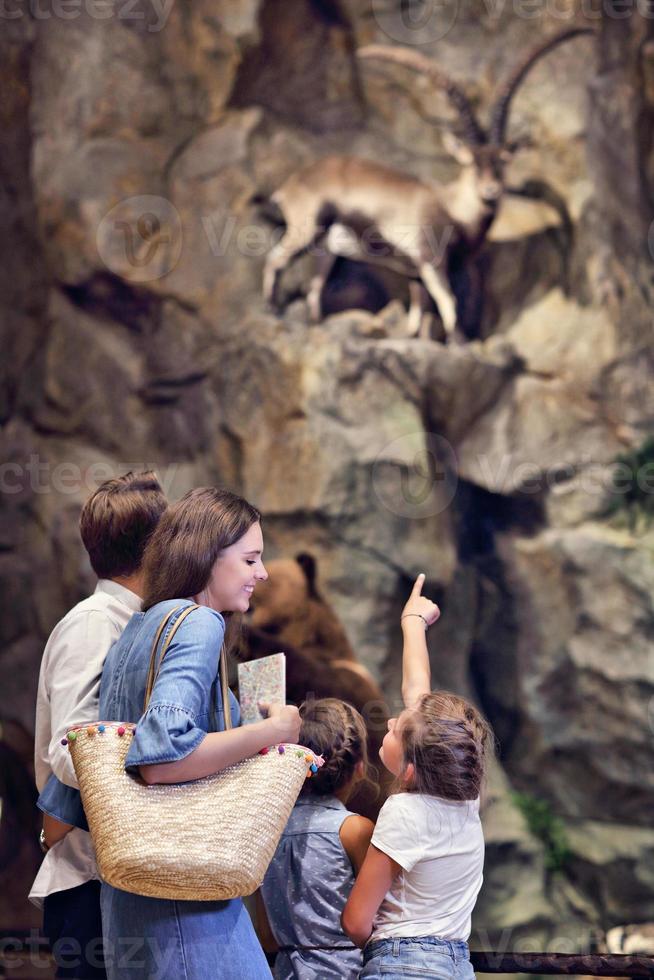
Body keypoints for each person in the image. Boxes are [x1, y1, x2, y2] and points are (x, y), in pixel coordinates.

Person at [95, 487, 301, 980]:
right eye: (251, 558)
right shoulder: (199, 623)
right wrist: (276, 728)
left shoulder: (139, 626)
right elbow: (161, 758)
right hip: (185, 898)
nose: (263, 573)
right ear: (207, 557)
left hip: (131, 894)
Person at [31, 471, 168, 979]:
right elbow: (71, 751)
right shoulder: (95, 623)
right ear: (158, 546)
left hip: (115, 874)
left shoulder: (134, 621)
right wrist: (167, 753)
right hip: (89, 879)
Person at [342, 573, 493, 980]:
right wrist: (413, 623)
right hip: (456, 965)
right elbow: (418, 698)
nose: (389, 720)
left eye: (393, 730)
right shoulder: (465, 799)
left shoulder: (403, 812)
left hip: (403, 965)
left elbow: (356, 921)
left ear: (409, 768)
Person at [257, 698, 375, 979]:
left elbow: (267, 936)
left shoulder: (265, 833)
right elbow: (378, 922)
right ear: (359, 766)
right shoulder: (354, 831)